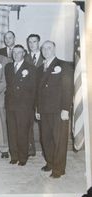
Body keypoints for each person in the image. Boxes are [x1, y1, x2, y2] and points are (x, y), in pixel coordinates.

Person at [36, 40, 74, 178]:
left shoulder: (63, 65)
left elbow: (68, 89)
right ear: (41, 51)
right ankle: (50, 163)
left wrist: (66, 109)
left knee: (59, 140)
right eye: (44, 48)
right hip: (44, 110)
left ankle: (59, 169)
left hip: (59, 110)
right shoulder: (40, 68)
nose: (46, 50)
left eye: (49, 48)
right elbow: (38, 92)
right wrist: (38, 109)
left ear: (54, 49)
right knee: (46, 139)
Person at [5, 45, 37, 166]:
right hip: (10, 105)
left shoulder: (30, 68)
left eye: (19, 52)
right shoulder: (8, 67)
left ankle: (23, 157)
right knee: (11, 131)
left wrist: (31, 106)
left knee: (22, 132)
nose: (16, 54)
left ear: (24, 53)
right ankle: (14, 155)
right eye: (14, 52)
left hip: (24, 106)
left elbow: (33, 89)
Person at [24, 34, 45, 157]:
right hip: (28, 97)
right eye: (30, 42)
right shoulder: (24, 57)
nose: (32, 44)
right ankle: (30, 148)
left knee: (44, 125)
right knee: (28, 123)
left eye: (34, 42)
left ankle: (46, 149)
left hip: (43, 97)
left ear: (39, 43)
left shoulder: (45, 56)